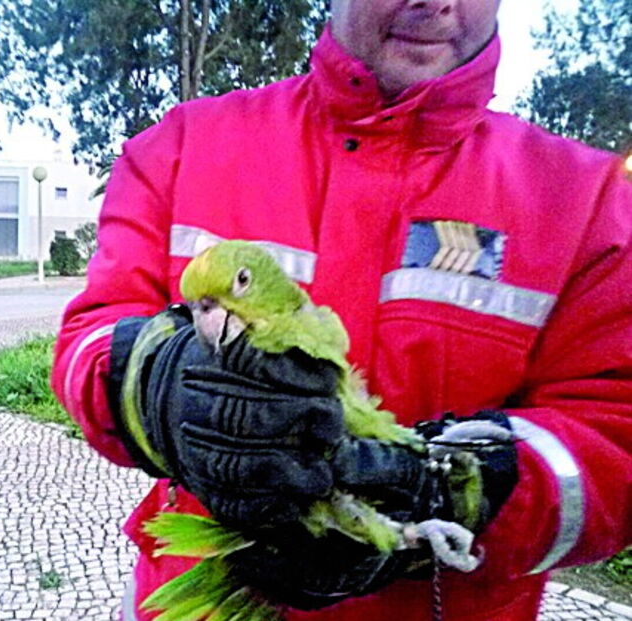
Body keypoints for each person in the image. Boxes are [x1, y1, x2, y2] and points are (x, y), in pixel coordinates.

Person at [51, 0, 632, 619]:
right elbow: (88, 339)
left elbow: (615, 436)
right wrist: (157, 385)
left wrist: (458, 488)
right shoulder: (182, 146)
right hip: (197, 596)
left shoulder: (587, 201)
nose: (435, 2)